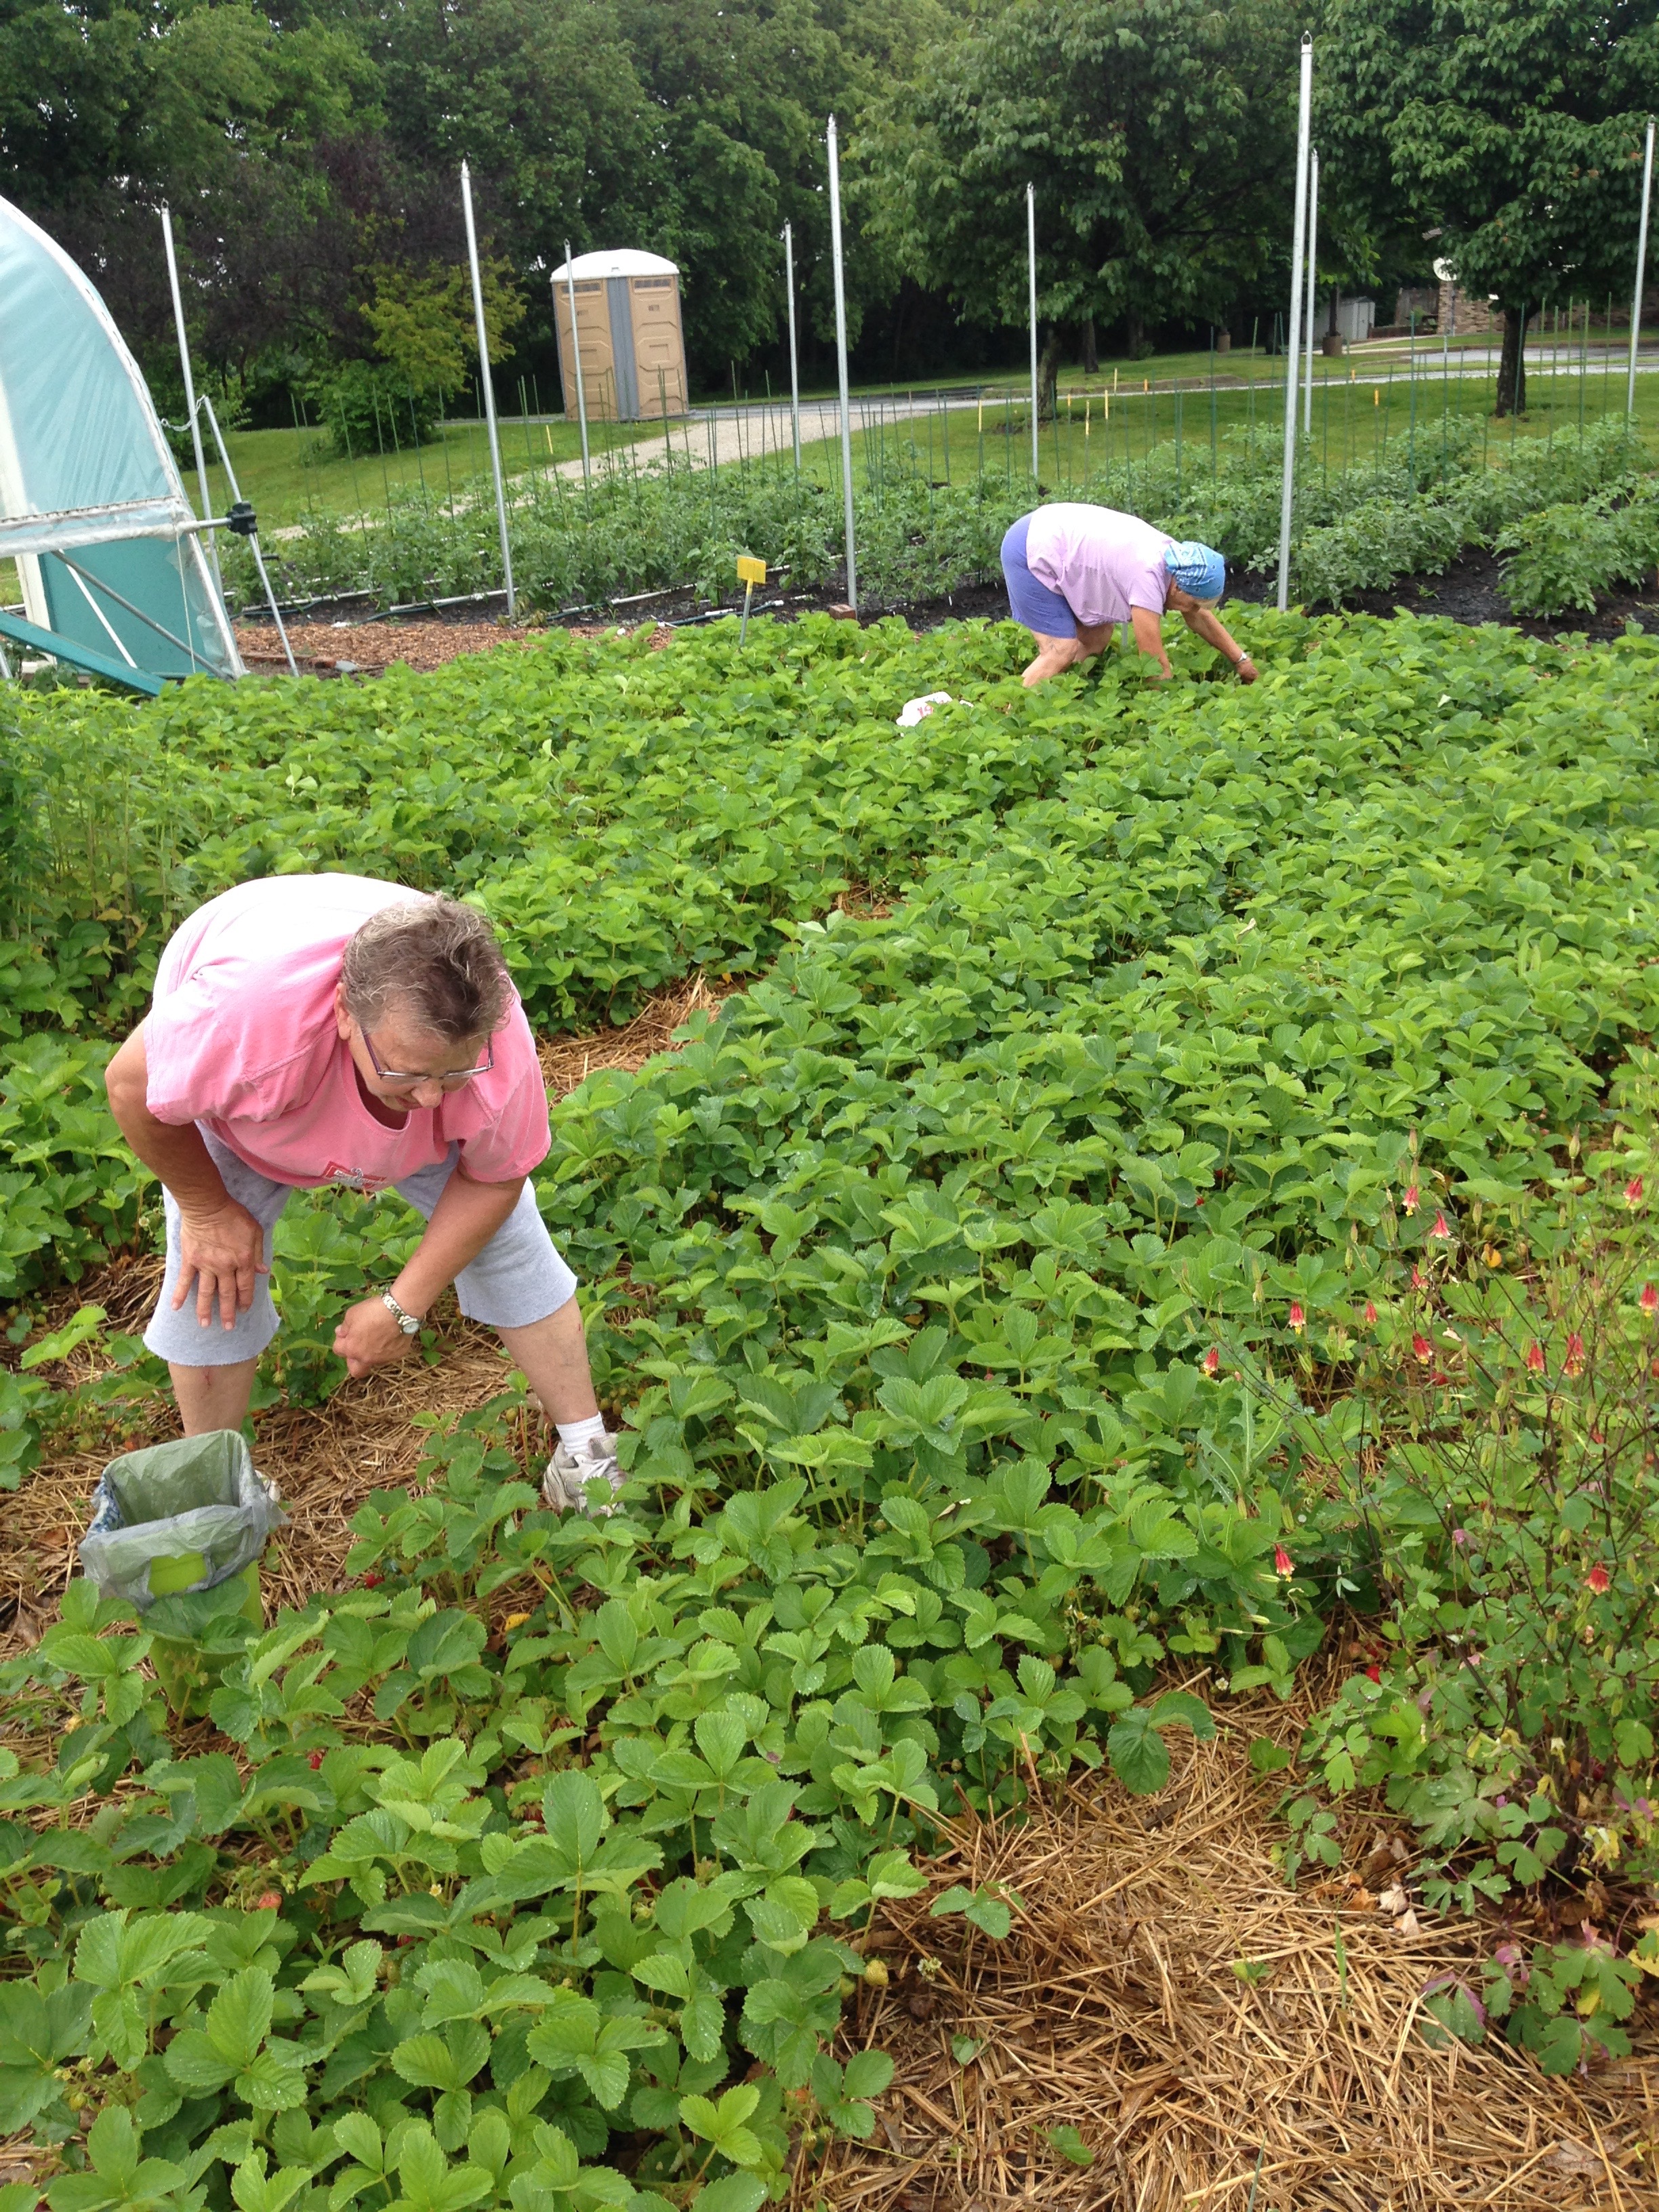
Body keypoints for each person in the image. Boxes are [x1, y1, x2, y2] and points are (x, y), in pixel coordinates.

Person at [103, 875, 621, 1515]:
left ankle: (586, 1453)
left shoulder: (493, 1043)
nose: (433, 1098)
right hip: (256, 1105)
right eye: (408, 1072)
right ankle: (215, 1491)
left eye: (453, 1074)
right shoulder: (244, 1024)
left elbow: (496, 1177)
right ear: (346, 1012)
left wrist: (405, 1305)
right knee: (214, 1274)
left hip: (370, 1078)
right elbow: (131, 1090)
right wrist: (208, 1212)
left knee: (511, 1239)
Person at [1000, 502, 1258, 687]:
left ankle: (1061, 693)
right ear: (1179, 587)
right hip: (1029, 548)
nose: (1191, 611)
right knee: (1060, 650)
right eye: (1192, 604)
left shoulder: (1179, 561)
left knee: (1097, 635)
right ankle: (1010, 709)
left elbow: (1199, 616)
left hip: (1051, 531)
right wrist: (1168, 711)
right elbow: (1153, 664)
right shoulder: (1148, 577)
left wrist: (1241, 660)